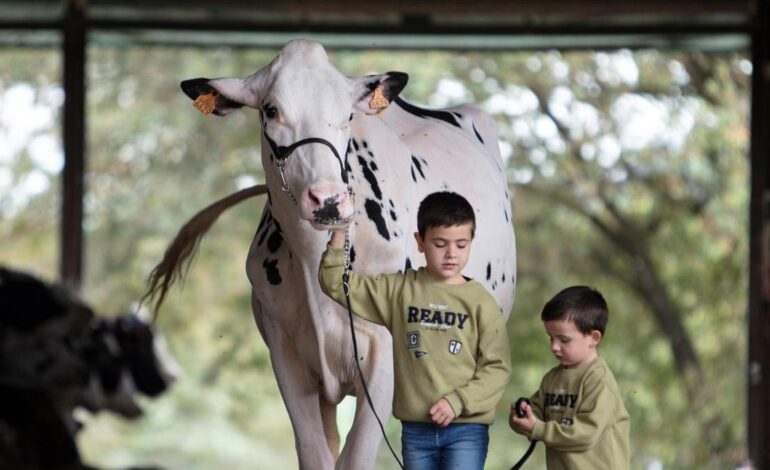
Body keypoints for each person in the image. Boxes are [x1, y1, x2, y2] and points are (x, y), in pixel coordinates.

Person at [318, 191, 511, 470]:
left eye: (461, 245)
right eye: (440, 244)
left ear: (471, 241)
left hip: (466, 430)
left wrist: (457, 402)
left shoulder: (481, 302)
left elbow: (498, 368)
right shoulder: (399, 291)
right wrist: (339, 231)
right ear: (420, 242)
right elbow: (335, 283)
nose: (451, 254)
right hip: (416, 431)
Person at [509, 285, 630, 470]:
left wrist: (537, 428)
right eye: (551, 338)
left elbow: (586, 434)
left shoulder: (599, 381)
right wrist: (523, 416)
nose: (554, 347)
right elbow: (537, 414)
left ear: (594, 338)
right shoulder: (552, 378)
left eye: (564, 340)